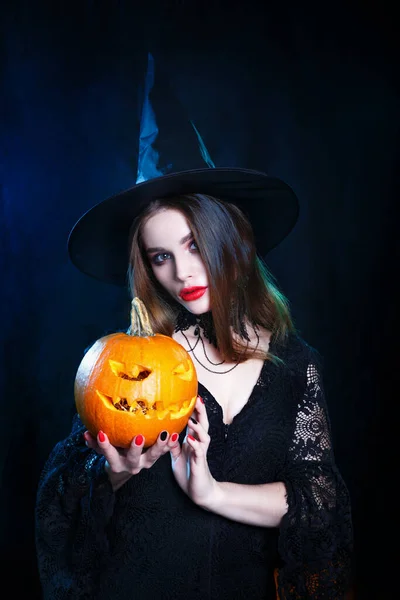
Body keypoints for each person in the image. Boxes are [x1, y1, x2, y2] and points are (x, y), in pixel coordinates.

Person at [35, 167, 353, 599]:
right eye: (161, 256)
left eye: (194, 246)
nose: (182, 273)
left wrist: (212, 493)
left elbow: (318, 499)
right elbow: (62, 497)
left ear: (232, 241)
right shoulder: (132, 366)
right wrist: (114, 472)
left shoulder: (295, 364)